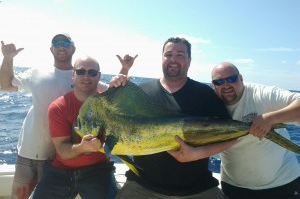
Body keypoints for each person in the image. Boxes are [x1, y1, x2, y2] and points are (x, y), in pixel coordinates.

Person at [0, 34, 137, 199]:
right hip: (37, 153)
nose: (86, 76)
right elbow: (6, 85)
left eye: (66, 42)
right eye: (56, 43)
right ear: (74, 74)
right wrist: (7, 58)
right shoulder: (38, 74)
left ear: (73, 48)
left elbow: (113, 94)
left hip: (74, 160)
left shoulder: (93, 86)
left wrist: (124, 71)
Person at [114, 37, 235, 199]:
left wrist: (196, 154)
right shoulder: (140, 93)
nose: (173, 59)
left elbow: (230, 136)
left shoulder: (205, 94)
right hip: (142, 187)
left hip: (198, 189)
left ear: (189, 60)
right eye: (168, 54)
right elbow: (114, 118)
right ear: (162, 58)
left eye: (180, 55)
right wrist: (121, 75)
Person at [169, 62, 300, 199]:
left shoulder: (262, 94)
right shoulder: (210, 103)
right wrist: (194, 154)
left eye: (231, 79)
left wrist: (269, 119)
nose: (226, 85)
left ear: (241, 78)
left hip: (283, 185)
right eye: (219, 81)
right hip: (234, 188)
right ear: (213, 85)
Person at [30, 56, 120, 199]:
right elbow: (63, 151)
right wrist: (83, 147)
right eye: (80, 71)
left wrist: (123, 76)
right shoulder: (58, 107)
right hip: (61, 171)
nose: (86, 76)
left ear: (99, 76)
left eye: (92, 72)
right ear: (73, 75)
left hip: (98, 170)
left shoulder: (109, 107)